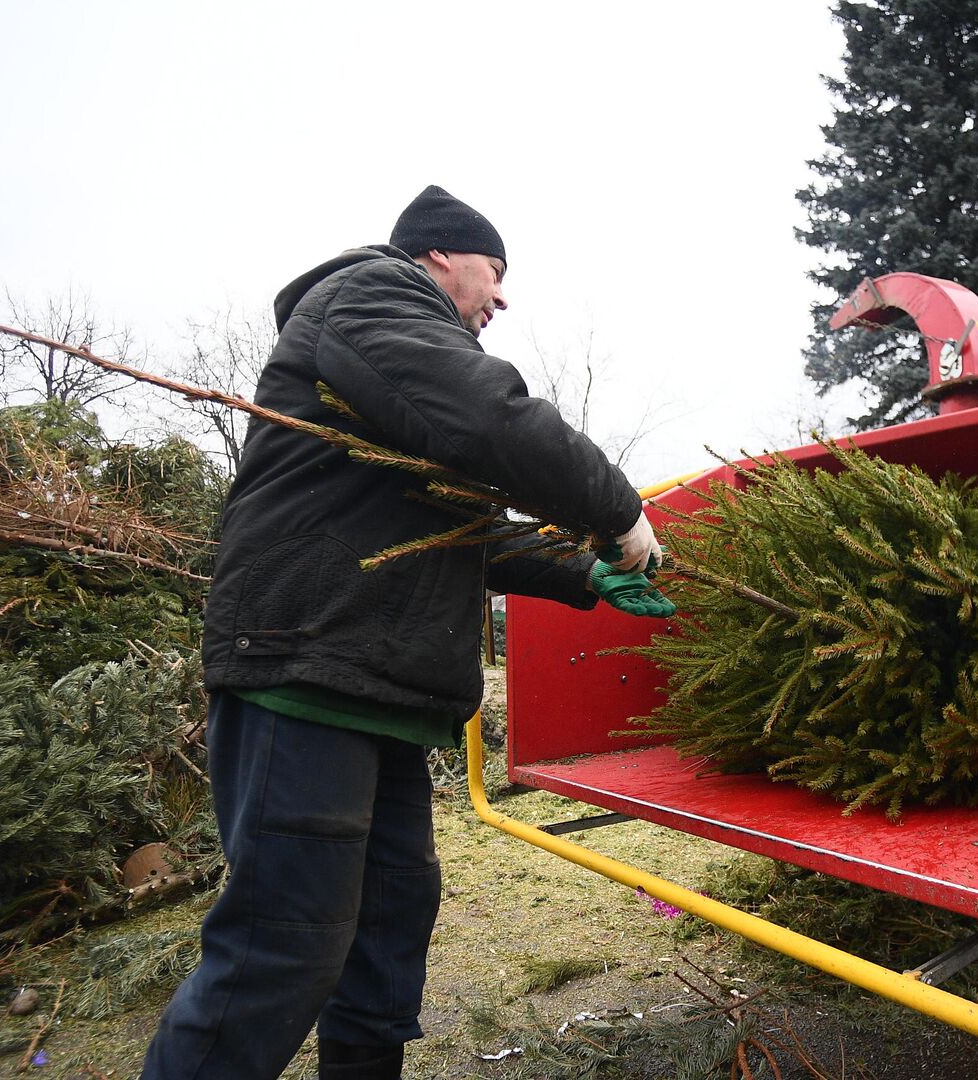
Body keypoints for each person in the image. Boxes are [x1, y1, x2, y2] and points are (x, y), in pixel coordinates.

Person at [140, 186, 674, 1080]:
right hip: (306, 668)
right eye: (494, 272)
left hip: (379, 687)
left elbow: (456, 523)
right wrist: (617, 511)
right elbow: (491, 416)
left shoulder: (396, 365)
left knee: (388, 932)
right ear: (438, 256)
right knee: (286, 944)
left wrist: (585, 571)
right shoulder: (371, 297)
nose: (501, 299)